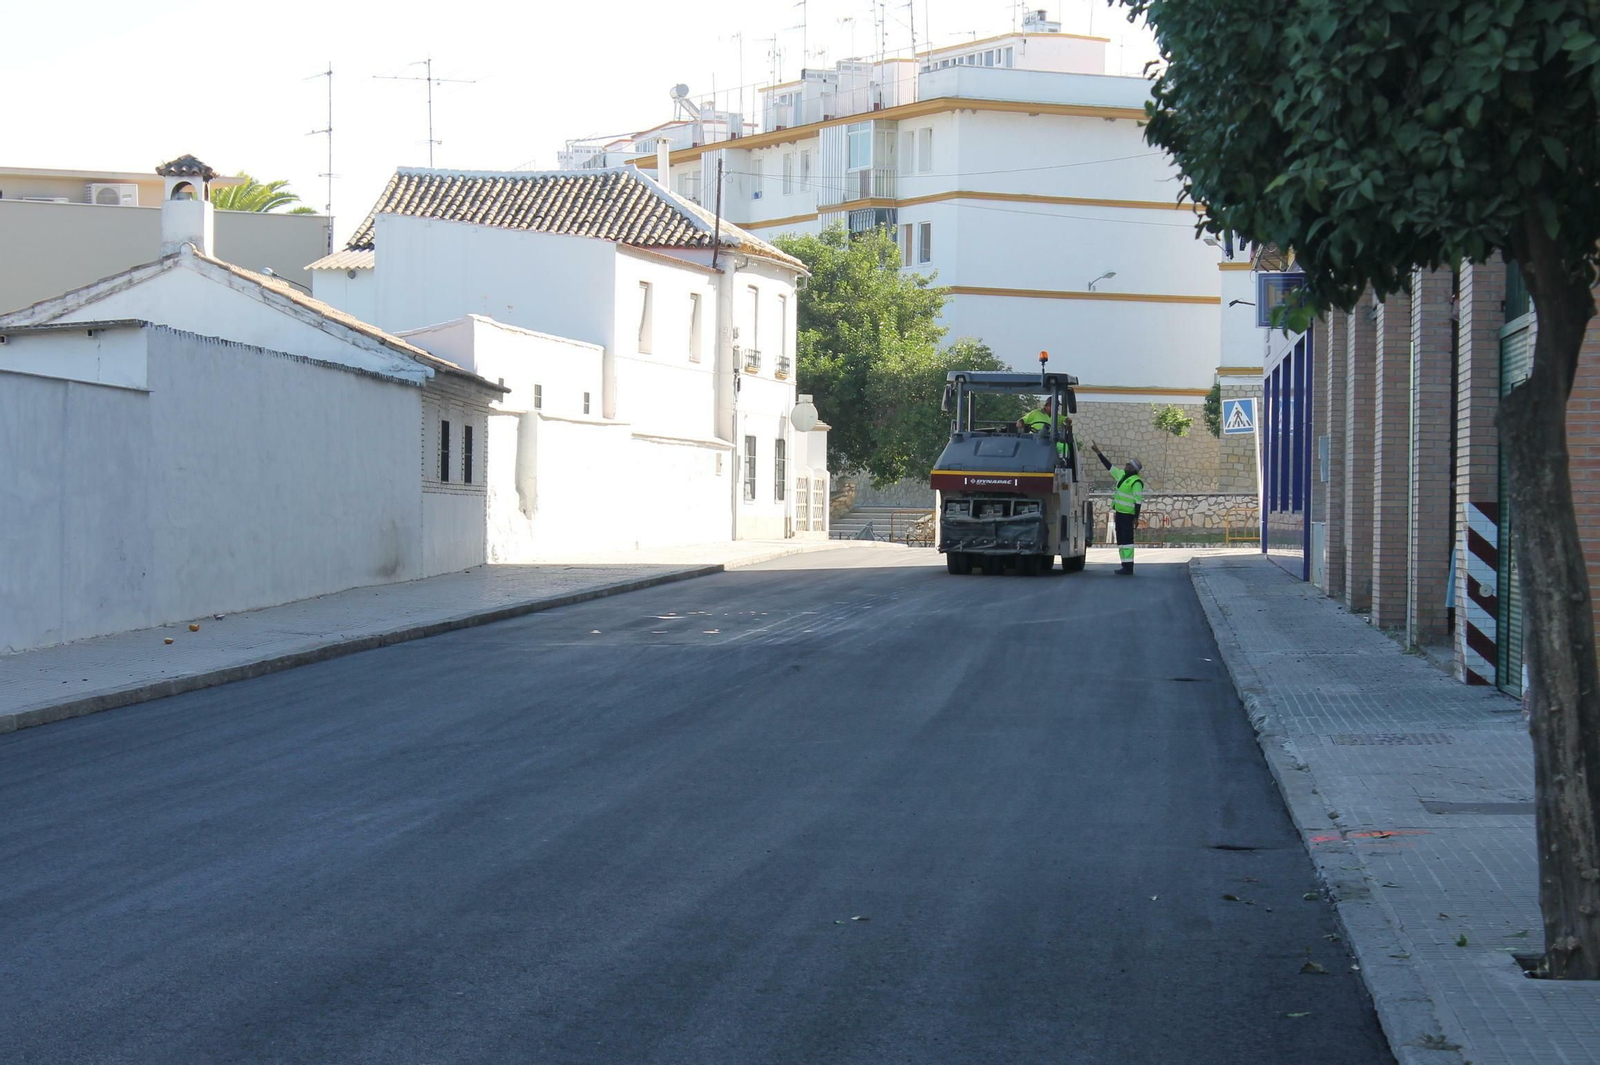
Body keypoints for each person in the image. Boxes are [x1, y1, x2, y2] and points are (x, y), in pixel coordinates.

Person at [1092, 443, 1145, 575]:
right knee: (1121, 540)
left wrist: (1136, 518)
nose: (1126, 465)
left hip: (1128, 516)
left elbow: (1138, 501)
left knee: (1127, 541)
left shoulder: (1135, 482)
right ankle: (1124, 565)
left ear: (1134, 469)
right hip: (1120, 514)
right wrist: (1098, 453)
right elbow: (1109, 467)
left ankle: (1129, 567)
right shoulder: (1122, 476)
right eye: (1127, 464)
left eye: (1129, 465)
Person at [1016, 397, 1072, 462]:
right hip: (1034, 439)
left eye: (1057, 406)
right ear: (1047, 405)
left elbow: (1067, 419)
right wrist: (1020, 422)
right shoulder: (1035, 413)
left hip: (1051, 440)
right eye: (1054, 406)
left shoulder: (1057, 416)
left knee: (1064, 447)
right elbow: (1023, 420)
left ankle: (1062, 463)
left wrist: (1068, 421)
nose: (1056, 408)